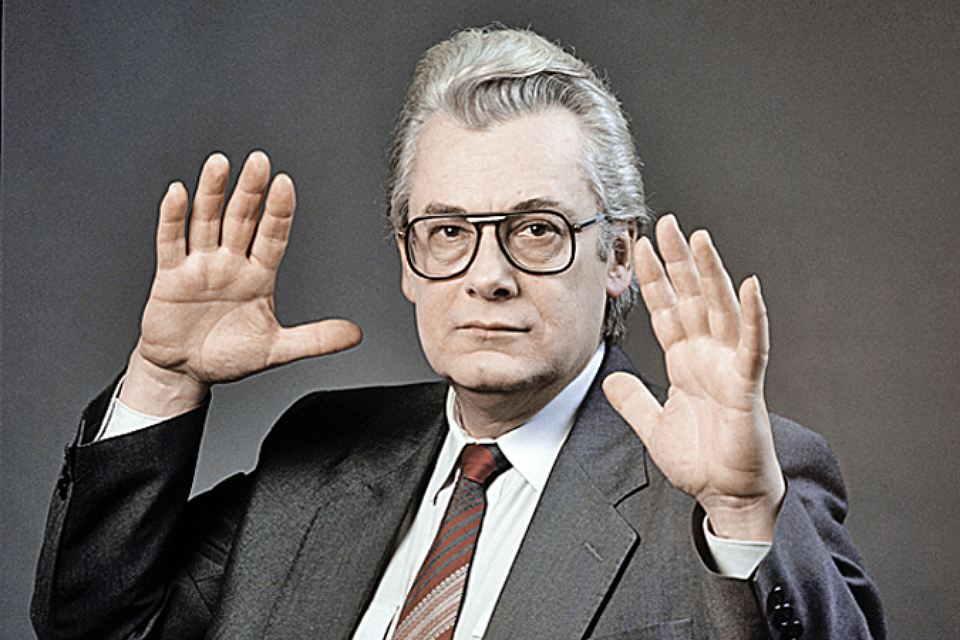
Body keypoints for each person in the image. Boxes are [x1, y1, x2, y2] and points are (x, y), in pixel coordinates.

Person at [31, 27, 884, 639]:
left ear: (618, 256)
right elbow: (95, 623)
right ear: (408, 261)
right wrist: (163, 377)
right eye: (447, 231)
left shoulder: (739, 483)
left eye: (537, 228)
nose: (488, 275)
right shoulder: (320, 451)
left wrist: (741, 515)